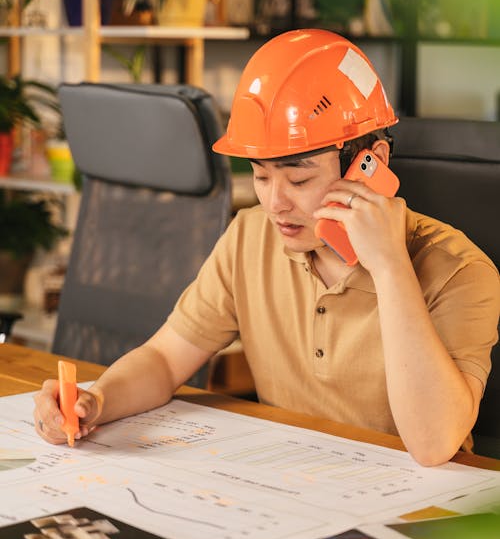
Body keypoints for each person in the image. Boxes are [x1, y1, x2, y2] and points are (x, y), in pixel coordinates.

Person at [34, 29, 500, 466]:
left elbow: (434, 443)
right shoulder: (249, 237)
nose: (276, 203)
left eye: (298, 178)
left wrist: (391, 267)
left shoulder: (460, 271)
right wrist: (96, 400)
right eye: (260, 175)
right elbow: (162, 359)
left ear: (369, 164)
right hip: (287, 483)